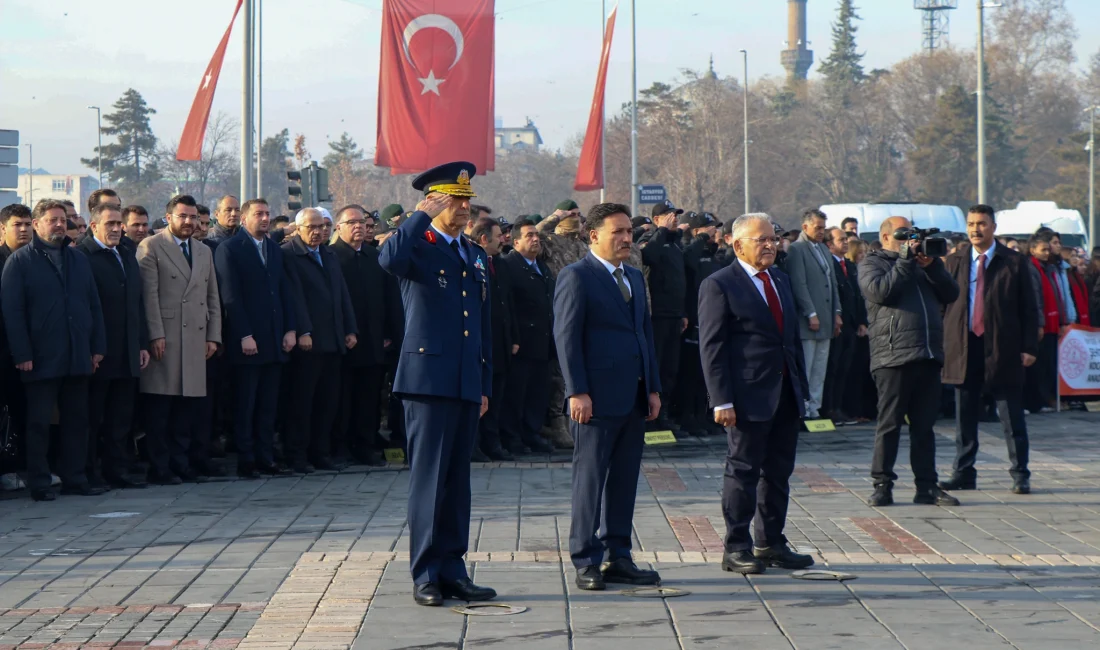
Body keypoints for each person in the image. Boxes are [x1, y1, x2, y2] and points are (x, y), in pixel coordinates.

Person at [378, 161, 496, 607]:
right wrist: (418, 216)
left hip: (466, 378)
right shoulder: (418, 244)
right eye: (454, 199)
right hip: (427, 379)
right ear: (433, 201)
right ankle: (425, 573)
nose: (464, 207)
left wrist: (484, 381)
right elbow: (388, 259)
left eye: (466, 199)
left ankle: (453, 568)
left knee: (457, 481)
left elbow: (483, 324)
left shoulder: (474, 253)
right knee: (429, 480)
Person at [554, 202, 662, 591]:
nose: (626, 238)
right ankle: (586, 559)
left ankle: (619, 555)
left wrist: (652, 387)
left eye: (629, 232)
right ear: (593, 235)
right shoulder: (576, 276)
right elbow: (566, 338)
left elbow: (643, 334)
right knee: (590, 479)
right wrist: (577, 391)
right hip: (595, 399)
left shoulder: (633, 275)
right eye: (617, 232)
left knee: (624, 480)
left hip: (632, 395)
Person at [698, 213, 814, 574]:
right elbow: (712, 347)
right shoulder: (720, 284)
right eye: (761, 239)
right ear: (737, 245)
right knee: (744, 471)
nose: (770, 245)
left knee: (778, 472)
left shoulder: (779, 278)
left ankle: (771, 543)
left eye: (773, 238)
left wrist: (801, 389)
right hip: (746, 396)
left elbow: (790, 340)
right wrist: (722, 400)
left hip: (784, 393)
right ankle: (736, 546)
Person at [1, 200, 107, 501]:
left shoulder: (78, 260)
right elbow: (13, 312)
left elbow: (93, 305)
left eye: (62, 220)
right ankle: (40, 482)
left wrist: (97, 346)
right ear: (37, 224)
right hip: (39, 358)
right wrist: (22, 354)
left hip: (77, 354)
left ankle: (75, 478)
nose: (59, 225)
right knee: (39, 423)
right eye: (52, 220)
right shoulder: (20, 262)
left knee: (77, 420)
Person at [860, 216, 961, 507]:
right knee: (889, 424)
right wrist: (905, 261)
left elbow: (951, 293)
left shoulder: (922, 263)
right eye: (903, 236)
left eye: (912, 236)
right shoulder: (872, 263)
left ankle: (926, 486)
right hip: (893, 355)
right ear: (886, 237)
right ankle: (882, 485)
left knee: (924, 426)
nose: (910, 242)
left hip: (927, 353)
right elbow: (881, 292)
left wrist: (933, 266)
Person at [940, 205, 1038, 495]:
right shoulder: (955, 261)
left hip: (1003, 347)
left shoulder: (1014, 262)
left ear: (993, 226)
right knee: (964, 417)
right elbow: (943, 305)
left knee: (1011, 417)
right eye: (971, 224)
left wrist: (1029, 347)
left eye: (981, 223)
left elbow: (1029, 309)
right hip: (964, 346)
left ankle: (1020, 473)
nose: (975, 229)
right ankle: (963, 472)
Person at [137, 195, 222, 484]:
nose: (188, 222)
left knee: (187, 409)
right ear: (168, 217)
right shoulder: (151, 246)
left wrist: (214, 336)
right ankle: (160, 467)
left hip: (196, 338)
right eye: (182, 216)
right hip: (167, 339)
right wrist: (155, 334)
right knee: (161, 409)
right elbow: (147, 296)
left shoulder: (203, 251)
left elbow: (212, 297)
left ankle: (181, 462)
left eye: (193, 217)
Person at [214, 198, 298, 479]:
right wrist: (244, 334)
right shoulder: (230, 248)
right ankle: (246, 460)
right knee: (246, 404)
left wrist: (290, 329)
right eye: (258, 214)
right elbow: (231, 296)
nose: (264, 219)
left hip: (275, 339)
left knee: (267, 405)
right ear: (244, 218)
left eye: (267, 214)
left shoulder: (274, 249)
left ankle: (266, 457)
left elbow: (284, 290)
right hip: (247, 341)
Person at [78, 203, 150, 489]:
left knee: (121, 418)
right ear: (94, 226)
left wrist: (142, 343)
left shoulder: (127, 253)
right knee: (93, 418)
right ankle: (89, 471)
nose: (117, 229)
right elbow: (84, 307)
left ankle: (117, 470)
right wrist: (92, 347)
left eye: (119, 223)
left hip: (128, 351)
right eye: (110, 224)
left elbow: (137, 303)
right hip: (100, 352)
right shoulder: (82, 256)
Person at [282, 208, 358, 473]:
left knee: (328, 402)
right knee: (302, 402)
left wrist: (350, 328)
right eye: (312, 227)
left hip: (333, 340)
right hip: (309, 341)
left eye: (323, 227)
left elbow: (342, 294)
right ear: (298, 228)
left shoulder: (329, 254)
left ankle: (321, 452)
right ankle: (297, 455)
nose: (319, 232)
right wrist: (303, 330)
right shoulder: (289, 254)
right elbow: (293, 297)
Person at [330, 204, 400, 467]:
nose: (359, 227)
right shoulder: (331, 256)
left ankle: (365, 445)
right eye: (352, 223)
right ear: (339, 227)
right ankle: (341, 446)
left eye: (363, 222)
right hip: (346, 340)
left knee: (369, 398)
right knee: (343, 398)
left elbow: (389, 299)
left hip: (374, 341)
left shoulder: (375, 257)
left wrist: (389, 333)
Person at [502, 216, 557, 453]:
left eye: (537, 235)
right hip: (521, 341)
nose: (536, 239)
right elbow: (508, 306)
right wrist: (513, 338)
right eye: (529, 236)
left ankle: (531, 432)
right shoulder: (509, 266)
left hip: (542, 341)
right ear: (515, 242)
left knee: (537, 392)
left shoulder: (542, 267)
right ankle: (512, 436)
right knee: (516, 394)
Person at [469, 217, 518, 461]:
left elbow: (507, 303)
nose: (503, 241)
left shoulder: (500, 263)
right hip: (477, 342)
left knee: (495, 397)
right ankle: (474, 444)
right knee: (478, 399)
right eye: (499, 236)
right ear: (484, 238)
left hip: (499, 343)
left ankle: (492, 442)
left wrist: (513, 337)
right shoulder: (472, 260)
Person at [785, 209, 842, 419]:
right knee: (806, 368)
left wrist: (837, 312)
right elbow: (799, 284)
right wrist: (810, 313)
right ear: (805, 226)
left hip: (826, 319)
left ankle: (815, 409)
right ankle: (803, 409)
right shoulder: (797, 250)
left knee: (820, 369)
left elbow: (833, 283)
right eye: (817, 227)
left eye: (823, 228)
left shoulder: (825, 250)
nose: (821, 232)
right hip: (808, 321)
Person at [642, 199, 688, 434]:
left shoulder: (674, 244)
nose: (675, 218)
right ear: (657, 219)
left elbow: (681, 281)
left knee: (671, 367)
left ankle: (665, 414)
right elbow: (648, 257)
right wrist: (660, 230)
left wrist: (683, 313)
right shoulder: (652, 240)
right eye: (669, 215)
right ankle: (651, 416)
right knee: (657, 365)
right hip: (657, 315)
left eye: (676, 215)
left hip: (674, 315)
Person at [821, 227, 858, 424]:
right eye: (840, 239)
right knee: (832, 368)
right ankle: (829, 408)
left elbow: (857, 295)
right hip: (836, 323)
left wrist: (861, 321)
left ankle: (839, 407)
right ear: (829, 244)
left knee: (845, 368)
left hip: (851, 325)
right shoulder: (829, 266)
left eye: (846, 239)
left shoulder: (849, 265)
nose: (845, 242)